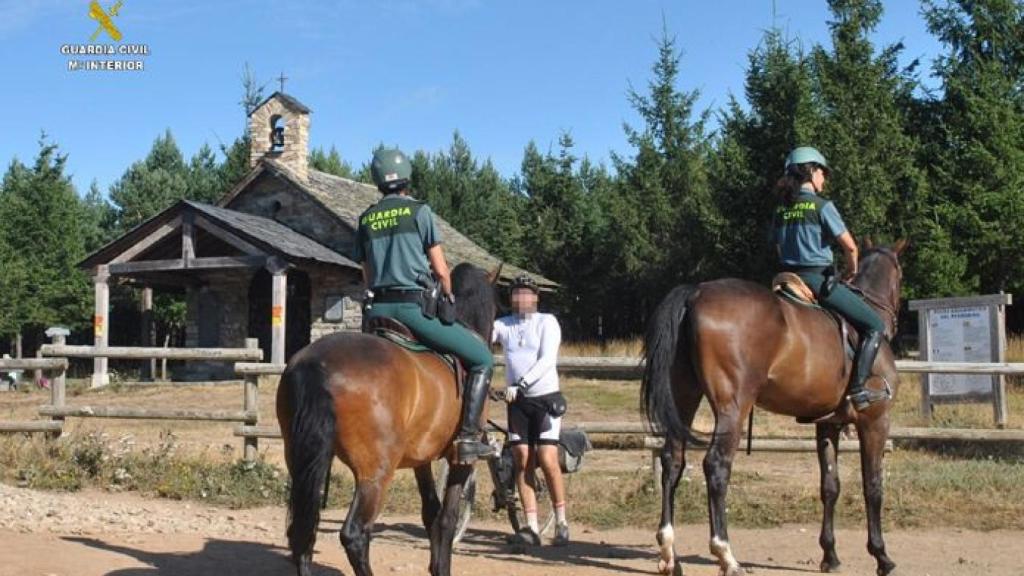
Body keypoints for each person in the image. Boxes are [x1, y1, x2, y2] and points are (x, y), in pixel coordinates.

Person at [352, 147, 495, 464]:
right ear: (406, 178)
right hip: (412, 311)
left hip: (377, 314)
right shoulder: (419, 212)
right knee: (483, 358)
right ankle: (469, 437)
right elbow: (442, 271)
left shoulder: (366, 219)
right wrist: (447, 296)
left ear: (377, 180)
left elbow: (366, 274)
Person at [772, 146, 889, 411]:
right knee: (875, 325)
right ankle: (858, 390)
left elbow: (777, 247)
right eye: (823, 172)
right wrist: (850, 271)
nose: (824, 178)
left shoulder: (781, 210)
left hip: (785, 280)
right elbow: (850, 247)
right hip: (816, 280)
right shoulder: (822, 206)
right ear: (811, 171)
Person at [492, 274, 570, 546]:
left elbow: (547, 359)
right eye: (516, 294)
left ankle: (561, 521)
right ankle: (532, 526)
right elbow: (482, 337)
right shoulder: (503, 325)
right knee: (522, 460)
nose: (521, 298)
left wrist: (521, 384)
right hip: (517, 403)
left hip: (545, 399)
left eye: (526, 294)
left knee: (547, 458)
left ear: (536, 297)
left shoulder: (547, 322)